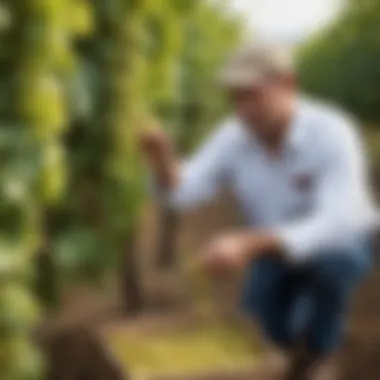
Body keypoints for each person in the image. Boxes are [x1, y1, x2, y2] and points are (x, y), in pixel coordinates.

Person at [139, 43, 378, 379]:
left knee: (332, 264)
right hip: (271, 250)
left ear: (288, 85)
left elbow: (336, 220)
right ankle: (291, 347)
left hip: (339, 241)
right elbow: (185, 189)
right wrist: (162, 161)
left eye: (253, 95)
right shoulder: (234, 136)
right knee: (265, 326)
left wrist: (247, 244)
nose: (243, 108)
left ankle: (322, 353)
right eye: (236, 97)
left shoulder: (332, 132)